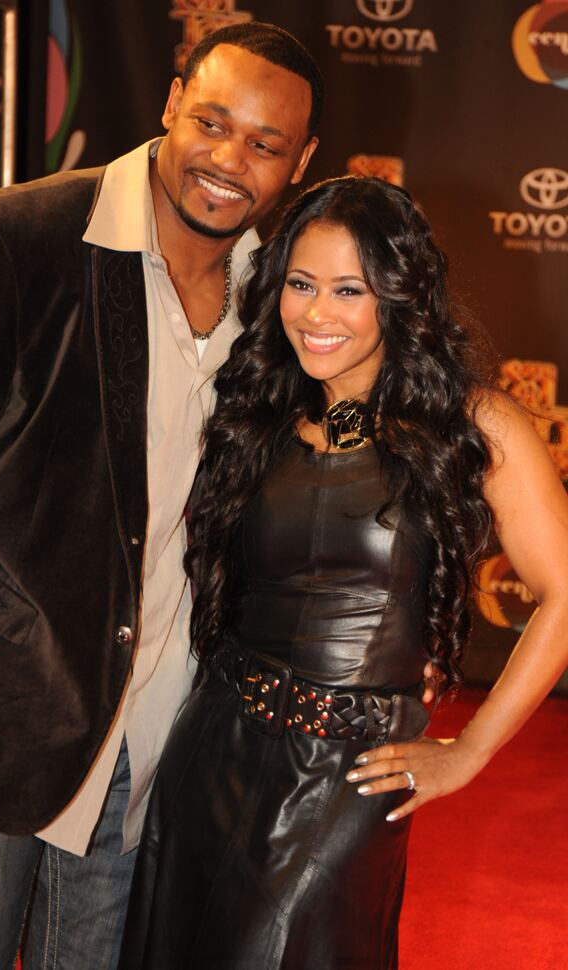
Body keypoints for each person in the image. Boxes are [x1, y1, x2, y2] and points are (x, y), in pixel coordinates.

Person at [118, 175, 568, 970]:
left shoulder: (475, 424)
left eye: (348, 290)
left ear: (399, 296)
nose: (315, 313)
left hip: (346, 777)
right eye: (299, 284)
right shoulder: (259, 408)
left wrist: (469, 752)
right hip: (212, 749)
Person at [0, 22, 324, 970]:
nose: (228, 161)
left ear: (303, 159)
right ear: (170, 104)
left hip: (153, 740)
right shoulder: (19, 238)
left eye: (266, 144)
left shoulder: (278, 306)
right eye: (212, 121)